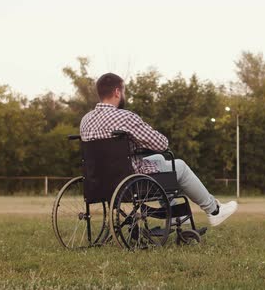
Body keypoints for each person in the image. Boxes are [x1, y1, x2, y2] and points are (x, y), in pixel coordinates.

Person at [80, 73, 237, 226]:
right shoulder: (124, 117)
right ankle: (214, 210)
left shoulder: (85, 120)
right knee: (179, 165)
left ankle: (176, 212)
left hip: (98, 183)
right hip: (130, 181)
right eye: (124, 92)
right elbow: (161, 144)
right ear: (117, 92)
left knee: (159, 160)